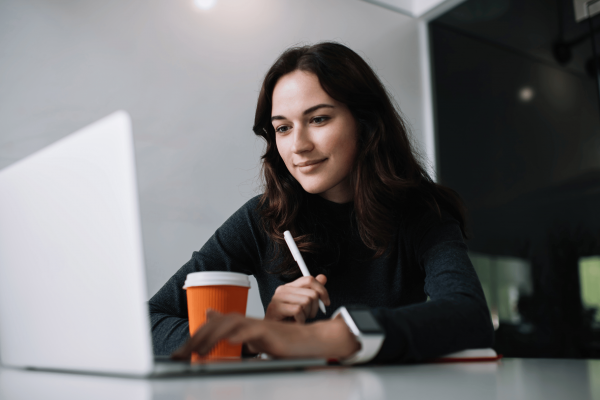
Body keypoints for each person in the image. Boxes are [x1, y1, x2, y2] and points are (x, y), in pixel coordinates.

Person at [150, 42, 494, 363]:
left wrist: (332, 336)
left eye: (318, 119)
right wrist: (257, 337)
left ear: (366, 123)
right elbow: (150, 323)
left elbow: (469, 314)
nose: (298, 145)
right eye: (283, 128)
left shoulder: (421, 211)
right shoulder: (262, 218)